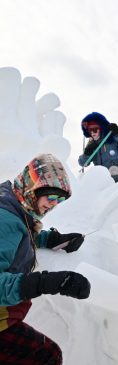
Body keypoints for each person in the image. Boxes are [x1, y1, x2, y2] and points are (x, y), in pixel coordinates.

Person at [0, 153, 91, 364]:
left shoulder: (13, 203)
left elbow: (20, 233)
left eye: (59, 200)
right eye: (51, 197)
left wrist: (52, 239)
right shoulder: (4, 219)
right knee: (46, 356)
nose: (53, 204)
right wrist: (47, 282)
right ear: (32, 189)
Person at [78, 112, 118, 182]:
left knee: (113, 169)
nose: (92, 132)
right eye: (90, 130)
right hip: (103, 179)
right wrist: (87, 153)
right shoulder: (91, 144)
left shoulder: (112, 138)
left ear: (101, 128)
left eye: (95, 129)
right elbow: (83, 163)